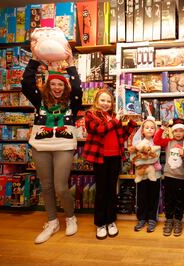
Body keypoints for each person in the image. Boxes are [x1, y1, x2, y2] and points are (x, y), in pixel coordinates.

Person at [21, 44, 82, 244]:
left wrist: (71, 65)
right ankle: (52, 221)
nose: (57, 88)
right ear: (49, 86)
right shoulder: (39, 101)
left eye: (61, 85)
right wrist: (36, 59)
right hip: (41, 146)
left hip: (63, 145)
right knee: (46, 186)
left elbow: (78, 88)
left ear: (65, 88)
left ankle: (70, 217)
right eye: (54, 84)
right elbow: (26, 83)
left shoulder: (72, 103)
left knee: (60, 187)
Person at [83, 89, 137, 240]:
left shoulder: (114, 116)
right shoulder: (90, 115)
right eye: (102, 100)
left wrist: (131, 122)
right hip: (100, 158)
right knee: (101, 191)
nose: (105, 104)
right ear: (96, 101)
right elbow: (100, 130)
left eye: (108, 101)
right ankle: (100, 223)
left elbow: (122, 135)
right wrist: (116, 120)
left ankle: (111, 221)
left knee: (112, 190)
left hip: (115, 157)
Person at [153, 118, 184, 237]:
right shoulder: (168, 142)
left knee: (179, 200)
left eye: (181, 131)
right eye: (176, 131)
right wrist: (162, 128)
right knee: (168, 199)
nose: (178, 133)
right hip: (168, 176)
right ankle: (169, 220)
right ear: (172, 132)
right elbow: (156, 141)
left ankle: (178, 220)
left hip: (181, 177)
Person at [131, 117, 161, 233]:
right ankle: (142, 218)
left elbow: (155, 157)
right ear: (142, 130)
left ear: (155, 130)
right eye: (147, 127)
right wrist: (146, 159)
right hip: (141, 175)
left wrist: (144, 158)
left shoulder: (157, 142)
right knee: (141, 197)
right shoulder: (137, 143)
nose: (149, 129)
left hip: (155, 175)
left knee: (153, 196)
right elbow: (134, 159)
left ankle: (152, 218)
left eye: (152, 128)